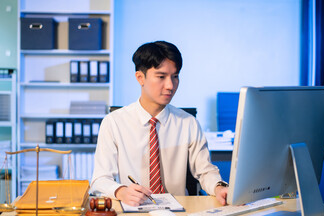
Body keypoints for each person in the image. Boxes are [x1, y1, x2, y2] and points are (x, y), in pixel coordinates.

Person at [90, 40, 228, 206]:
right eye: (161, 77)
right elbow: (100, 180)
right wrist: (121, 191)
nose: (170, 85)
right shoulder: (114, 123)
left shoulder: (188, 123)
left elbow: (206, 171)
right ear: (140, 78)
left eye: (175, 76)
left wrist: (219, 187)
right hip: (134, 210)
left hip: (179, 212)